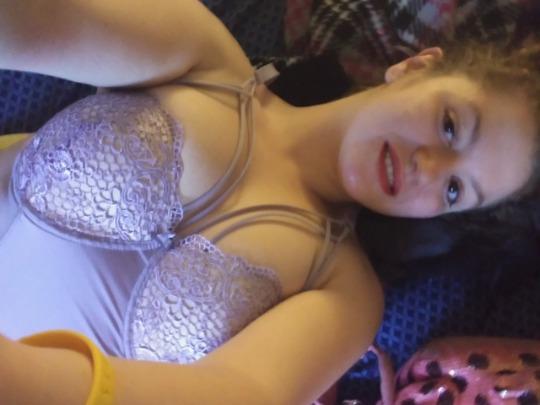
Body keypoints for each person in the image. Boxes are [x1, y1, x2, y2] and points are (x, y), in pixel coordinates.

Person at [0, 1, 539, 404]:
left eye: (455, 191)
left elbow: (242, 392)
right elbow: (38, 17)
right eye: (450, 126)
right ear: (417, 66)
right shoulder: (200, 56)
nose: (430, 168)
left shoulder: (346, 293)